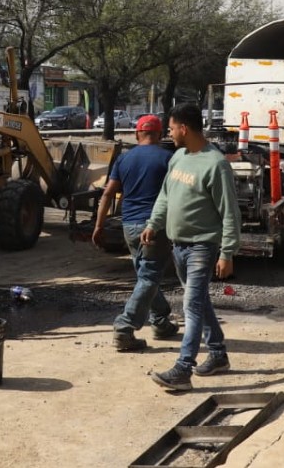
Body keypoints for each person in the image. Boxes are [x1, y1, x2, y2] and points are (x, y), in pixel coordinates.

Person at [141, 102, 241, 391]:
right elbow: (165, 196)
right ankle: (219, 354)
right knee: (199, 302)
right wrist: (153, 224)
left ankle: (184, 368)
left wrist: (227, 252)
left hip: (202, 247)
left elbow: (230, 212)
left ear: (184, 128)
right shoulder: (178, 158)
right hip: (178, 246)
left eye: (171, 128)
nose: (169, 134)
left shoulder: (216, 164)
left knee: (191, 306)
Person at [92, 114, 179, 352]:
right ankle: (124, 327)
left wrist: (99, 225)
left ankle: (161, 321)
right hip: (155, 226)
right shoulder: (168, 159)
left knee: (145, 275)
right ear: (160, 135)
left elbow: (108, 194)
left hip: (129, 226)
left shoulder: (124, 159)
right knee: (150, 276)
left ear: (137, 134)